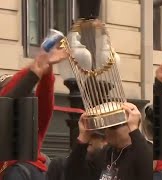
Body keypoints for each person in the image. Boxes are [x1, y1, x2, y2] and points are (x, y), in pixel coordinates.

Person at [0, 48, 68, 180]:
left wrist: (45, 73)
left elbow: (44, 103)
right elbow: (8, 98)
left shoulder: (30, 124)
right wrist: (32, 71)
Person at [65, 102, 153, 180]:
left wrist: (134, 130)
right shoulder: (104, 153)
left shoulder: (147, 151)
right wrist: (83, 138)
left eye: (113, 126)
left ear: (130, 125)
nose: (107, 131)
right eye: (105, 126)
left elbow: (147, 172)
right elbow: (73, 175)